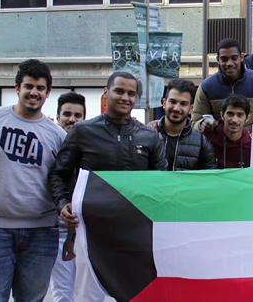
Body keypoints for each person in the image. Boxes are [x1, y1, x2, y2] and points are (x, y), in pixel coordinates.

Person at [49, 72, 167, 301]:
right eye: (119, 91)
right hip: (90, 231)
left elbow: (161, 183)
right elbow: (58, 173)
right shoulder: (82, 132)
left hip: (135, 233)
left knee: (133, 294)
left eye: (131, 93)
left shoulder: (150, 136)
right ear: (106, 93)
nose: (125, 97)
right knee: (89, 295)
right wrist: (62, 204)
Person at [0, 59, 66, 302]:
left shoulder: (58, 136)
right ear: (17, 88)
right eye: (28, 86)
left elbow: (64, 182)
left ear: (48, 93)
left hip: (41, 233)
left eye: (40, 88)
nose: (34, 92)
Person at [192, 38, 253, 131]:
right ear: (217, 60)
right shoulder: (206, 86)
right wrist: (202, 124)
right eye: (224, 59)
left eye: (234, 58)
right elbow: (195, 121)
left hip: (249, 142)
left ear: (242, 57)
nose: (229, 63)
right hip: (217, 143)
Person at [51, 91, 88, 302]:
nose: (72, 119)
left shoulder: (91, 144)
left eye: (77, 115)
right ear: (58, 117)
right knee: (63, 292)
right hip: (58, 228)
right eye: (67, 114)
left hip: (86, 228)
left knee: (87, 290)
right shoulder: (49, 140)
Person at [150, 79, 217, 170]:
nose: (177, 108)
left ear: (191, 109)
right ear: (164, 103)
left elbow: (209, 177)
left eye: (183, 104)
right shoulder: (148, 135)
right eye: (173, 102)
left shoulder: (201, 142)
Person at [202, 94, 252, 169]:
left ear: (247, 118)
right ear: (222, 115)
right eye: (230, 114)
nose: (234, 120)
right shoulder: (205, 138)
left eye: (240, 115)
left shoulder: (252, 144)